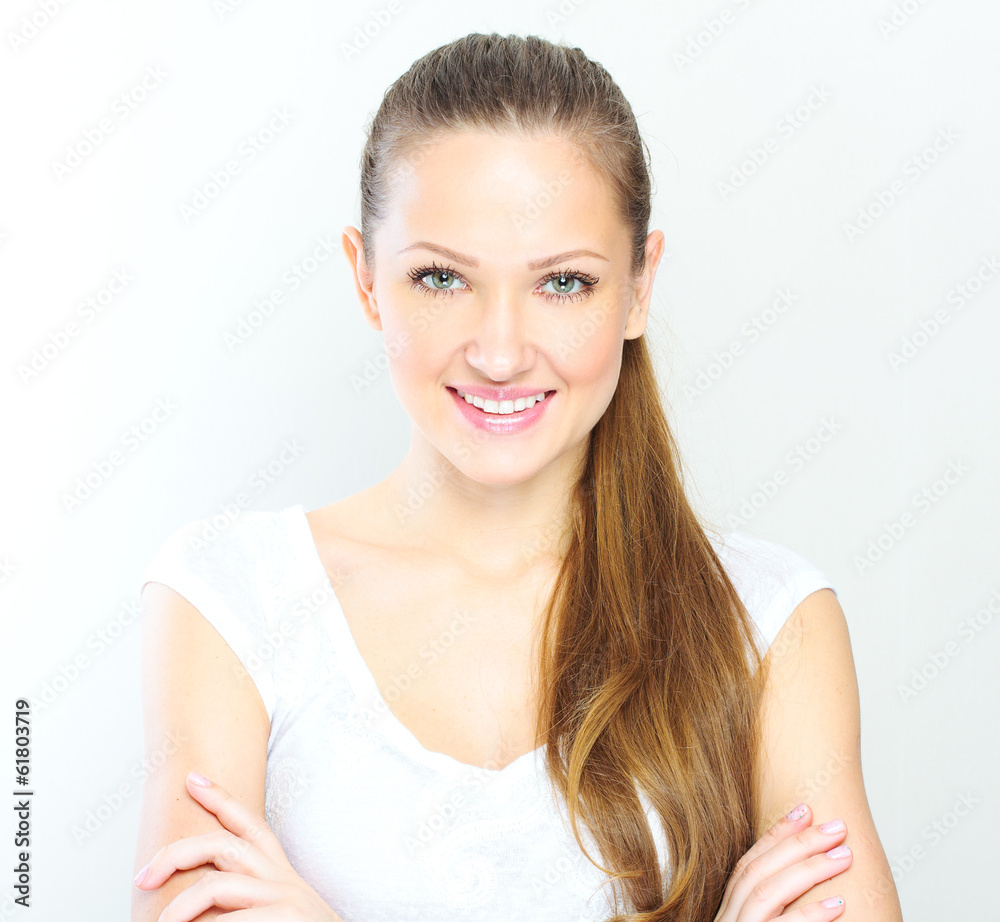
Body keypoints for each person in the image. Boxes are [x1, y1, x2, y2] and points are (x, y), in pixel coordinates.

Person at [131, 32, 903, 922]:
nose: (499, 352)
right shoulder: (231, 598)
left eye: (564, 283)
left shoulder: (772, 625)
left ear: (640, 287)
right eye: (440, 278)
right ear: (366, 278)